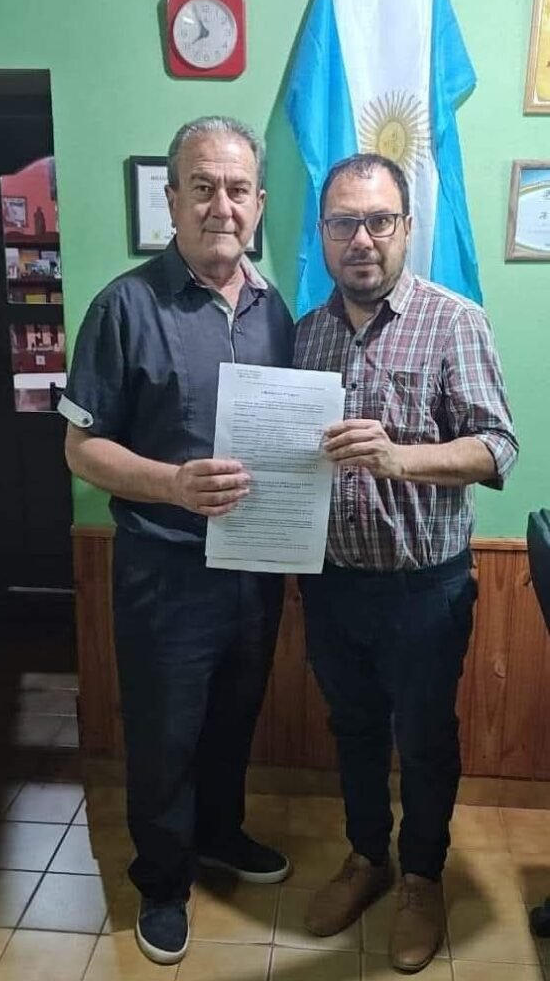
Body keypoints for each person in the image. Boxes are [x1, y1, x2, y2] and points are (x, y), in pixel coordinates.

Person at [60, 116, 293, 966]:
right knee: (163, 736)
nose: (219, 205)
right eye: (201, 187)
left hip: (255, 569)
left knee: (233, 717)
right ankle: (161, 882)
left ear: (257, 204)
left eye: (236, 189)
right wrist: (171, 483)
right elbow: (80, 448)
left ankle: (220, 834)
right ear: (171, 200)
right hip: (163, 571)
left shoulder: (277, 311)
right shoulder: (123, 306)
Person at [294, 153, 518, 973]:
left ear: (406, 227)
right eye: (342, 222)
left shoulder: (454, 320)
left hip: (426, 588)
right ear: (323, 233)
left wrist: (400, 458)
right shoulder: (304, 335)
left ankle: (421, 875)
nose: (361, 238)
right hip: (329, 582)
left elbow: (497, 447)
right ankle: (367, 858)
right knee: (352, 730)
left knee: (423, 739)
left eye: (377, 220)